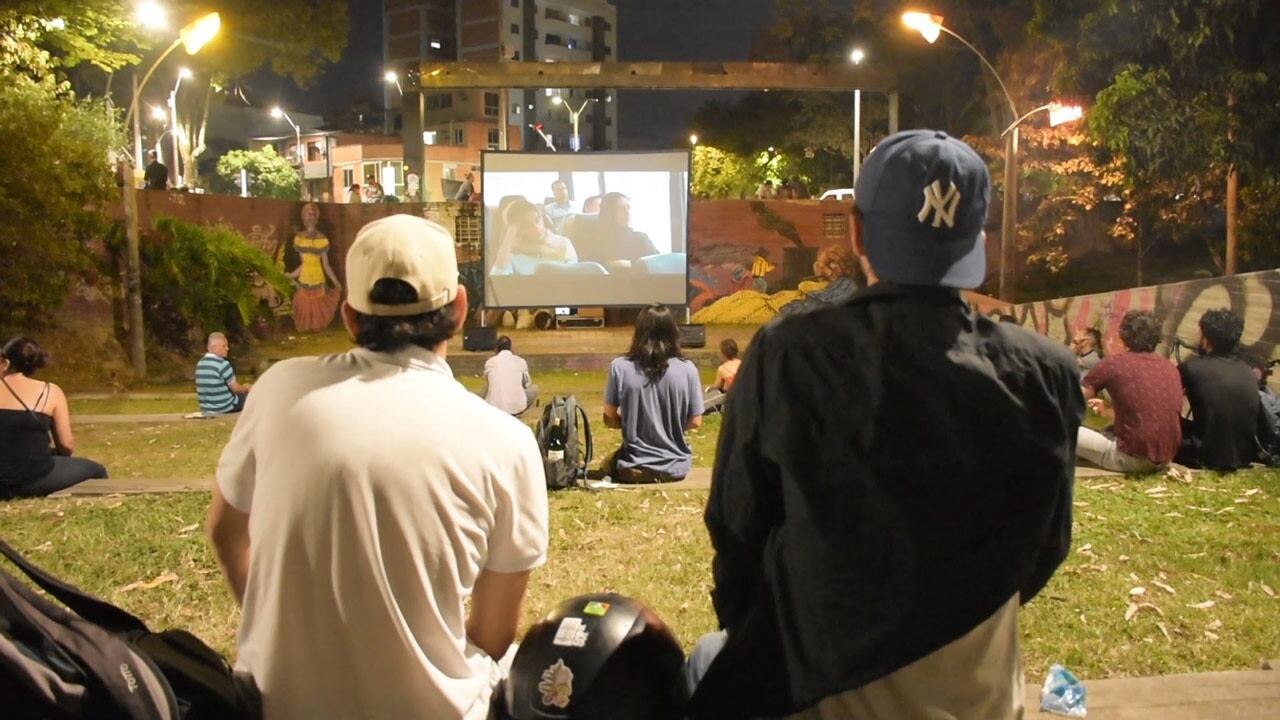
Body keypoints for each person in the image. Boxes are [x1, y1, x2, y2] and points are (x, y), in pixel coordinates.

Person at [686, 130, 1083, 720]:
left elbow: (737, 529)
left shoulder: (790, 354)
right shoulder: (1047, 371)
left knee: (702, 662)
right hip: (984, 701)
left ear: (857, 231)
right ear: (977, 239)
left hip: (817, 695)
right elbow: (1046, 548)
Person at [206, 214, 548, 719]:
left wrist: (276, 635)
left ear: (348, 316)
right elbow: (494, 636)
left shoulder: (279, 390)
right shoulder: (509, 443)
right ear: (459, 307)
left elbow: (224, 531)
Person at [601, 304, 703, 483]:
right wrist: (669, 428)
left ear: (638, 331)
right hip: (676, 467)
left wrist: (634, 426)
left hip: (633, 465)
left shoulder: (619, 367)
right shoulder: (688, 369)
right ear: (673, 332)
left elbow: (609, 418)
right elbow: (696, 421)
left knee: (607, 463)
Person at [0, 337, 107, 499]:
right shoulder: (51, 391)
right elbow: (66, 445)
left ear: (5, 362)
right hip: (32, 479)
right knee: (97, 470)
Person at [1078, 310, 1183, 473]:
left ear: (1123, 335)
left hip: (1129, 458)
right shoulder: (1169, 368)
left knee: (1056, 430)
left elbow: (1070, 398)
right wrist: (1109, 411)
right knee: (1099, 433)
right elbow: (1147, 415)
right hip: (1164, 458)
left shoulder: (1114, 364)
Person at [1175, 309, 1260, 471]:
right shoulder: (1248, 371)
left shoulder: (1191, 369)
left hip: (1204, 455)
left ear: (1207, 340)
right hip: (1244, 456)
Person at [286, 202, 343, 332]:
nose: (309, 217)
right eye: (307, 214)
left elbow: (326, 265)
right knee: (302, 303)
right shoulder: (299, 238)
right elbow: (303, 263)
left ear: (316, 218)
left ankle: (316, 328)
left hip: (318, 278)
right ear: (303, 218)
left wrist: (336, 282)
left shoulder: (322, 239)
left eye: (312, 214)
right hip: (304, 278)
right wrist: (292, 275)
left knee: (318, 305)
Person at [490, 199, 579, 275]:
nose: (537, 228)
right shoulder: (512, 252)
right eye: (527, 225)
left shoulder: (562, 243)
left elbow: (576, 277)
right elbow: (497, 281)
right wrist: (508, 239)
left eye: (537, 220)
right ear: (516, 230)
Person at [576, 192, 659, 267]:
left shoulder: (640, 238)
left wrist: (631, 264)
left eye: (629, 208)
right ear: (609, 212)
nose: (628, 212)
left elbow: (657, 265)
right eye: (622, 209)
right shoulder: (592, 240)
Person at [195, 332, 251, 415]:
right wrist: (246, 388)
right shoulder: (223, 364)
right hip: (225, 407)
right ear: (213, 347)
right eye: (224, 346)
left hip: (206, 408)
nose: (227, 348)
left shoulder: (200, 364)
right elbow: (235, 388)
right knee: (253, 396)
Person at [484, 335, 538, 415]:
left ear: (496, 349)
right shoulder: (520, 361)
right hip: (517, 408)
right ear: (511, 348)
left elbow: (489, 384)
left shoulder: (490, 362)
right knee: (534, 388)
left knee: (485, 390)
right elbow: (527, 384)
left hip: (494, 407)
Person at [702, 338, 741, 414]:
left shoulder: (722, 368)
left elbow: (717, 386)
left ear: (723, 354)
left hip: (730, 396)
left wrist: (708, 388)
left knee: (707, 405)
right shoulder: (743, 363)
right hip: (743, 394)